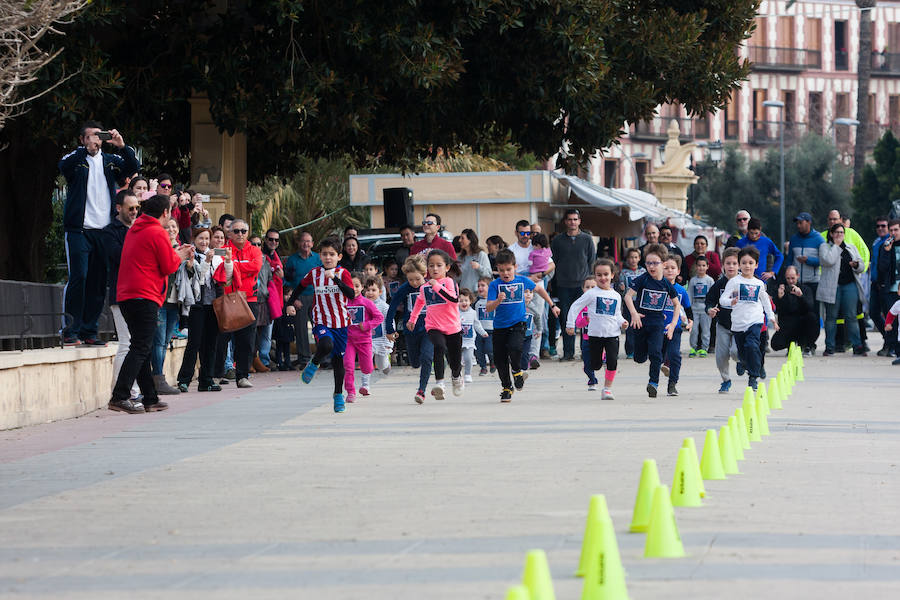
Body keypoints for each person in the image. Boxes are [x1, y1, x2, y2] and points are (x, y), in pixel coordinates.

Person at [58, 122, 140, 346]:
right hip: (79, 230)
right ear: (82, 140)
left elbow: (133, 167)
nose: (95, 140)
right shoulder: (76, 160)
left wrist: (122, 147)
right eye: (90, 137)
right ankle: (70, 330)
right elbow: (62, 166)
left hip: (103, 230)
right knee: (80, 276)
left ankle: (89, 331)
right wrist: (86, 151)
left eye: (98, 136)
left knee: (98, 281)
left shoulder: (110, 161)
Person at [110, 194, 193, 413]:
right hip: (144, 295)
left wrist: (176, 254)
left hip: (128, 295)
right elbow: (168, 266)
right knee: (140, 347)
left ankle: (150, 397)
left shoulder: (136, 229)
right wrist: (182, 255)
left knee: (142, 347)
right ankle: (120, 395)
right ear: (165, 213)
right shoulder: (157, 231)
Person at [291, 236, 356, 413]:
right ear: (320, 255)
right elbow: (300, 287)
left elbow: (351, 294)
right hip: (321, 320)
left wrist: (335, 279)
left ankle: (338, 395)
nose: (328, 257)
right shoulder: (314, 273)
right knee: (326, 344)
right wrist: (290, 302)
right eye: (325, 254)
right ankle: (314, 362)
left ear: (339, 257)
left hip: (341, 323)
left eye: (332, 254)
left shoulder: (343, 274)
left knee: (338, 362)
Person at [486, 249, 560, 402]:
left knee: (516, 347)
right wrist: (498, 301)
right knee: (500, 360)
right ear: (497, 269)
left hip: (518, 323)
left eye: (508, 269)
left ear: (515, 267)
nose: (505, 273)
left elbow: (539, 289)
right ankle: (507, 387)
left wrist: (552, 306)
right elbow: (488, 308)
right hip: (499, 327)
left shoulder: (522, 280)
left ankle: (517, 370)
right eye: (501, 270)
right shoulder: (494, 285)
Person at [623, 243, 682, 398]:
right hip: (640, 322)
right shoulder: (643, 279)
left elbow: (677, 305)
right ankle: (641, 356)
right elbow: (628, 296)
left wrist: (672, 325)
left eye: (655, 263)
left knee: (656, 354)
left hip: (657, 322)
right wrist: (634, 314)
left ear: (663, 264)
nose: (651, 266)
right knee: (639, 358)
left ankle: (653, 383)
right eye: (648, 263)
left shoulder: (667, 285)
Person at [566, 260, 628, 399]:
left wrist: (623, 322)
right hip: (595, 335)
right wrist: (570, 324)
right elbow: (575, 307)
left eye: (606, 274)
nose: (603, 278)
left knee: (612, 361)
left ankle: (607, 389)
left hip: (612, 334)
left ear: (612, 275)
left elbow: (617, 314)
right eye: (599, 275)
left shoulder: (616, 295)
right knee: (596, 365)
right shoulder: (592, 293)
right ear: (595, 276)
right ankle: (598, 360)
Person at [408, 250, 465, 398]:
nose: (434, 269)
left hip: (453, 327)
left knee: (455, 361)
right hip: (433, 326)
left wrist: (437, 286)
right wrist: (412, 319)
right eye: (431, 265)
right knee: (439, 347)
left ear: (447, 267)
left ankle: (456, 377)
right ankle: (440, 383)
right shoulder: (424, 287)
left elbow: (453, 299)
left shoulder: (449, 282)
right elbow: (419, 303)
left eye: (439, 265)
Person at [103, 190, 142, 403]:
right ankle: (124, 392)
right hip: (121, 293)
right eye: (131, 208)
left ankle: (133, 389)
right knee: (127, 343)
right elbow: (119, 257)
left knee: (138, 344)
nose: (135, 212)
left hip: (141, 292)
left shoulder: (140, 228)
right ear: (119, 208)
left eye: (137, 208)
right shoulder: (111, 231)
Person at [216, 219, 263, 387]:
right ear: (229, 233)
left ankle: (242, 376)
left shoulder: (255, 250)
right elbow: (221, 270)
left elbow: (256, 267)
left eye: (243, 231)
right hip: (228, 299)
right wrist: (242, 266)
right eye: (236, 231)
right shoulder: (222, 250)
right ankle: (217, 375)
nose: (240, 234)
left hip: (249, 299)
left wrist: (234, 266)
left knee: (247, 341)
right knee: (222, 339)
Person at [724, 246, 778, 390]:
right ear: (739, 264)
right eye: (744, 262)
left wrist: (771, 317)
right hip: (738, 323)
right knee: (742, 353)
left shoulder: (759, 284)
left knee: (752, 345)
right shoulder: (734, 282)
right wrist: (731, 302)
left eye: (750, 263)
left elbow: (766, 303)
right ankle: (743, 362)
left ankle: (753, 377)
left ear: (756, 265)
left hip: (755, 321)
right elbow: (723, 299)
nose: (747, 266)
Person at [176, 228, 223, 392]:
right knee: (194, 343)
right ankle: (184, 380)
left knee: (211, 343)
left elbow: (225, 278)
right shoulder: (191, 256)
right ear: (194, 239)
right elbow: (198, 278)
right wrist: (207, 262)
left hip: (213, 305)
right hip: (197, 305)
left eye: (206, 239)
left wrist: (228, 262)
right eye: (201, 238)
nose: (204, 242)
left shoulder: (216, 257)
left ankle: (206, 380)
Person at [386, 255, 434, 403]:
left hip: (429, 328)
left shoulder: (431, 287)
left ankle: (421, 390)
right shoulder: (404, 289)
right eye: (410, 279)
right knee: (414, 362)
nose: (414, 283)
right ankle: (419, 362)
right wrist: (389, 328)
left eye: (417, 279)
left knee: (426, 357)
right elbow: (392, 308)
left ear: (424, 275)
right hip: (411, 329)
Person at [549, 208, 596, 361]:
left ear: (579, 221)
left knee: (585, 319)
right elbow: (553, 262)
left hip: (583, 286)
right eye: (570, 219)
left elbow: (591, 261)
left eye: (575, 219)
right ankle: (568, 353)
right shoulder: (557, 240)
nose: (572, 222)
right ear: (565, 221)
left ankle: (586, 351)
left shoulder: (587, 239)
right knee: (566, 319)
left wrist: (590, 282)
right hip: (563, 285)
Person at [818, 223, 867, 356]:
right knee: (831, 317)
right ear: (832, 234)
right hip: (832, 287)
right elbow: (828, 260)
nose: (839, 235)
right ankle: (829, 347)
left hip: (849, 285)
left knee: (851, 316)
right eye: (837, 232)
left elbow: (861, 265)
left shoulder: (851, 247)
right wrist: (836, 246)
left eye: (842, 232)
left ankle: (858, 346)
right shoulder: (825, 247)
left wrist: (856, 265)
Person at [150, 218, 186, 395]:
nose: (171, 229)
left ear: (178, 230)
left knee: (164, 342)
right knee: (158, 342)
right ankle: (158, 377)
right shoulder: (161, 248)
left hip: (175, 301)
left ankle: (159, 378)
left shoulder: (183, 249)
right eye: (167, 226)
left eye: (174, 226)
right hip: (160, 300)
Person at [343, 273, 384, 403]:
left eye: (357, 286)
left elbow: (379, 317)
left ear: (362, 287)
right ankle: (350, 391)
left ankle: (365, 381)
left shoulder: (367, 303)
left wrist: (366, 325)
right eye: (350, 285)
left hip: (364, 340)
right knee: (348, 366)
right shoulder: (343, 301)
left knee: (367, 367)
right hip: (348, 339)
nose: (353, 288)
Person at [706, 247, 742, 393]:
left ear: (739, 265)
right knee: (721, 355)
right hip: (723, 325)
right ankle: (726, 380)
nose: (731, 266)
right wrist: (709, 309)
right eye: (728, 263)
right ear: (723, 266)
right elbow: (709, 300)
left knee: (735, 352)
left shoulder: (744, 283)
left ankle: (740, 361)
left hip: (740, 325)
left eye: (734, 263)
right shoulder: (719, 284)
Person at [285, 231, 321, 368]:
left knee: (319, 327)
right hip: (299, 297)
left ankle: (323, 358)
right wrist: (293, 299)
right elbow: (287, 281)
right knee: (300, 330)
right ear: (299, 243)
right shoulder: (292, 260)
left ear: (312, 243)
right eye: (303, 241)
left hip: (316, 296)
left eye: (308, 241)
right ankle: (304, 359)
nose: (306, 244)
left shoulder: (317, 258)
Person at [660, 255, 692, 396]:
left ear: (678, 271)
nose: (669, 270)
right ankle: (662, 366)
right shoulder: (657, 287)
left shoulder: (681, 290)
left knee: (674, 355)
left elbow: (688, 307)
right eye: (666, 268)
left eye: (673, 268)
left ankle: (672, 384)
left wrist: (690, 321)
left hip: (675, 328)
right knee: (657, 355)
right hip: (657, 328)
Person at [770, 266, 819, 354]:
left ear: (798, 276)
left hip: (803, 322)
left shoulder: (805, 289)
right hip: (789, 324)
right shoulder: (782, 289)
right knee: (775, 344)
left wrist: (800, 296)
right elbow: (777, 311)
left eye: (793, 278)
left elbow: (810, 308)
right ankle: (791, 344)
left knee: (812, 318)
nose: (791, 281)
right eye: (788, 278)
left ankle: (807, 344)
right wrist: (779, 298)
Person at [256, 228, 284, 370]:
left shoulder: (276, 257)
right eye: (271, 239)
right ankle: (255, 361)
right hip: (259, 297)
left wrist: (281, 276)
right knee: (256, 332)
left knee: (267, 333)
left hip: (273, 299)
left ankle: (264, 360)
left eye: (276, 240)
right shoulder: (261, 257)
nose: (273, 242)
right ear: (265, 240)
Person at [786, 212, 825, 299]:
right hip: (797, 282)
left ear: (809, 222)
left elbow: (824, 261)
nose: (798, 226)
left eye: (801, 223)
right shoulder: (794, 239)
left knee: (813, 310)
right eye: (797, 223)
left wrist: (808, 260)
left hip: (813, 282)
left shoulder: (819, 239)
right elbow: (789, 259)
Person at [870, 216, 893, 355]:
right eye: (878, 226)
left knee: (888, 314)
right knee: (873, 312)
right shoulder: (876, 241)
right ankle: (887, 338)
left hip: (886, 284)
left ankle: (889, 344)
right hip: (875, 283)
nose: (880, 228)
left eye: (883, 226)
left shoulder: (889, 242)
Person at [618, 248, 645, 358]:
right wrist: (621, 288)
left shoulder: (643, 271)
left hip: (640, 303)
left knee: (641, 327)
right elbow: (620, 288)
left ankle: (641, 350)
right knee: (630, 327)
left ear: (639, 258)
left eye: (635, 257)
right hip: (629, 303)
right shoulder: (623, 273)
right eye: (630, 257)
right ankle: (630, 350)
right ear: (627, 259)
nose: (633, 260)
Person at [573, 277, 599, 390]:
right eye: (587, 287)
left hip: (600, 337)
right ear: (583, 289)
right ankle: (592, 379)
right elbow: (578, 324)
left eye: (593, 287)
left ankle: (602, 357)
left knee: (597, 359)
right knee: (587, 366)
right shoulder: (581, 305)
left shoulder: (601, 303)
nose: (590, 289)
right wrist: (585, 320)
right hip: (586, 338)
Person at [459, 288, 488, 383]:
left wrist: (482, 332)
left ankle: (467, 374)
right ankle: (457, 374)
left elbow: (477, 324)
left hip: (469, 340)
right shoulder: (455, 312)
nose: (464, 303)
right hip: (457, 340)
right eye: (461, 301)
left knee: (468, 358)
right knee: (456, 359)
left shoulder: (473, 313)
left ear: (470, 301)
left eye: (466, 300)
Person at [366, 276, 393, 375]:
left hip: (381, 339)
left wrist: (388, 342)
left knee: (381, 365)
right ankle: (366, 381)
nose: (370, 293)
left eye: (373, 290)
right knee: (366, 360)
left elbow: (390, 323)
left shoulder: (384, 307)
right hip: (367, 339)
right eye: (368, 290)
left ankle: (386, 364)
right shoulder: (362, 305)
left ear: (380, 292)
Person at [688, 255, 715, 357]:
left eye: (703, 265)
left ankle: (704, 348)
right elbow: (689, 294)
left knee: (705, 330)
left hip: (705, 310)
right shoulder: (693, 280)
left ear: (707, 266)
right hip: (694, 309)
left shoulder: (709, 280)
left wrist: (711, 307)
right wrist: (688, 309)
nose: (701, 268)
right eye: (699, 265)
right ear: (696, 266)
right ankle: (693, 348)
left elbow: (713, 295)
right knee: (694, 330)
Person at [474, 276, 496, 375]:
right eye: (479, 286)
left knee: (489, 349)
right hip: (479, 330)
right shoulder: (477, 303)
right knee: (479, 351)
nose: (480, 288)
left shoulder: (493, 301)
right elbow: (475, 317)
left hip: (490, 330)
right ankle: (483, 367)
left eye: (483, 285)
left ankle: (492, 362)